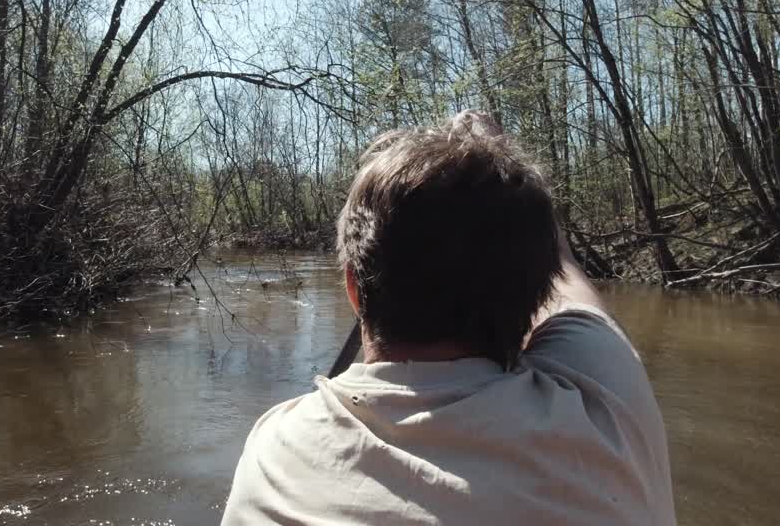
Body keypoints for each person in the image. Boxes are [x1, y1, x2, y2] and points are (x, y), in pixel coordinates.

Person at [220, 112, 675, 525]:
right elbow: (569, 284)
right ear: (534, 294)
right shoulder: (608, 425)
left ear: (354, 290)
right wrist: (504, 174)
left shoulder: (273, 452)